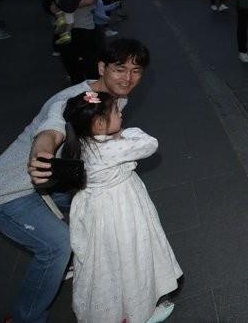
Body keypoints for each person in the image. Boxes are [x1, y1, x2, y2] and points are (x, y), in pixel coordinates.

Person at [0, 39, 149, 323]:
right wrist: (43, 149)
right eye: (119, 69)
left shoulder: (116, 96)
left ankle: (94, 271)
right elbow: (53, 125)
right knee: (57, 246)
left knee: (104, 203)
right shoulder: (71, 100)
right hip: (5, 192)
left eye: (136, 71)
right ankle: (25, 317)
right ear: (102, 68)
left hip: (54, 182)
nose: (127, 78)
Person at [61, 91, 181, 322]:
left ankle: (110, 310)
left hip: (97, 213)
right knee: (132, 255)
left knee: (105, 261)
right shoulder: (111, 147)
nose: (121, 113)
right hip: (122, 210)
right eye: (116, 111)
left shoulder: (82, 145)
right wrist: (124, 134)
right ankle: (140, 312)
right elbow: (150, 144)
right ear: (98, 124)